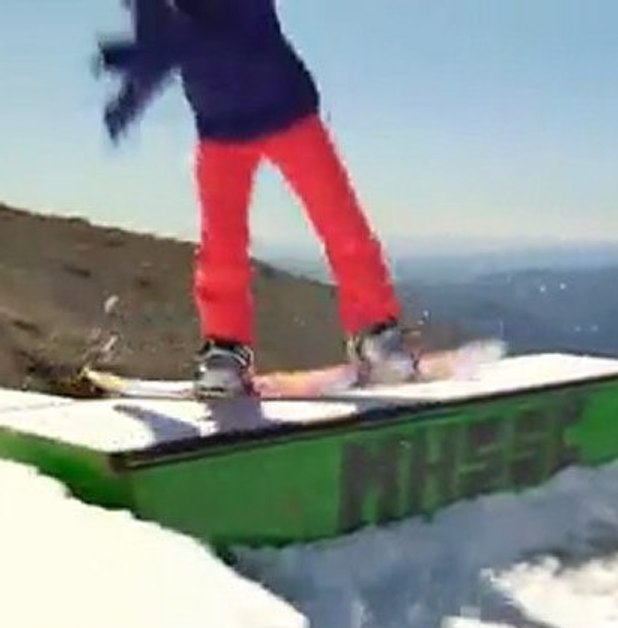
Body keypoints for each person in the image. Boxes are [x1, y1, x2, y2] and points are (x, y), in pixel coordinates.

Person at [94, 0, 418, 396]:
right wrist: (128, 97)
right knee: (221, 246)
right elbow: (160, 50)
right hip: (221, 133)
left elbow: (193, 39)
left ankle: (376, 333)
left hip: (288, 114)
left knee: (340, 225)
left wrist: (128, 61)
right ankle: (225, 350)